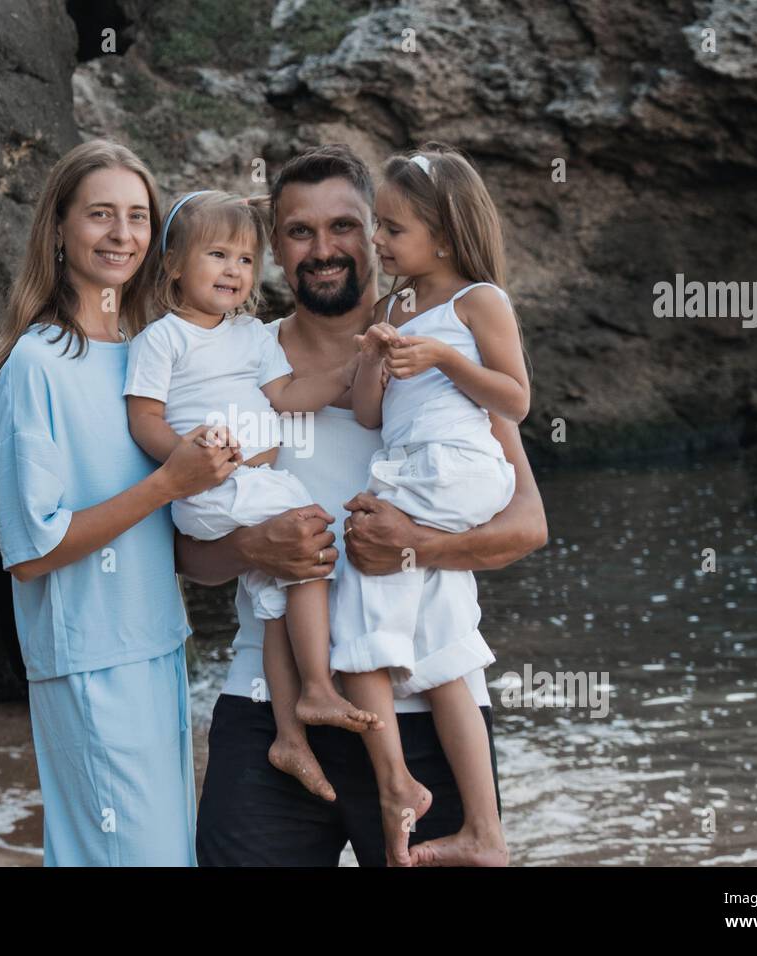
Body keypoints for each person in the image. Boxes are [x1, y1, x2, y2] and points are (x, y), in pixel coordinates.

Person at [179, 144, 548, 867]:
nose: (325, 250)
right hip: (270, 709)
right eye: (299, 231)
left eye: (345, 225)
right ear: (273, 246)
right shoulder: (235, 358)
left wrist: (414, 546)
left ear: (379, 229)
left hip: (425, 702)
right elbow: (190, 556)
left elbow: (526, 525)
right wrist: (257, 549)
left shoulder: (441, 342)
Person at [0, 140, 235, 866]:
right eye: (100, 215)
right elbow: (30, 551)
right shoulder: (35, 365)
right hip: (88, 658)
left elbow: (172, 530)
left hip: (158, 646)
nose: (122, 235)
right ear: (58, 230)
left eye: (137, 217)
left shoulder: (151, 353)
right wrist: (167, 483)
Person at [124, 190, 380, 806]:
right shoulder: (163, 339)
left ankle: (289, 733)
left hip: (262, 486)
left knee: (277, 592)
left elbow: (288, 395)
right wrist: (183, 462)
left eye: (246, 259)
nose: (235, 271)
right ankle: (317, 685)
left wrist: (353, 377)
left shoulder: (252, 336)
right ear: (174, 266)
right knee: (314, 539)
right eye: (217, 255)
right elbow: (144, 419)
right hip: (217, 486)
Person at [333, 144, 531, 866]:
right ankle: (483, 830)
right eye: (378, 226)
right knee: (444, 640)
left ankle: (394, 779)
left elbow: (516, 398)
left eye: (392, 229)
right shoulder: (392, 307)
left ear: (443, 235)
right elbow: (366, 416)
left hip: (457, 468)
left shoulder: (478, 301)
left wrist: (446, 358)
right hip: (417, 463)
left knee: (357, 564)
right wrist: (374, 360)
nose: (376, 242)